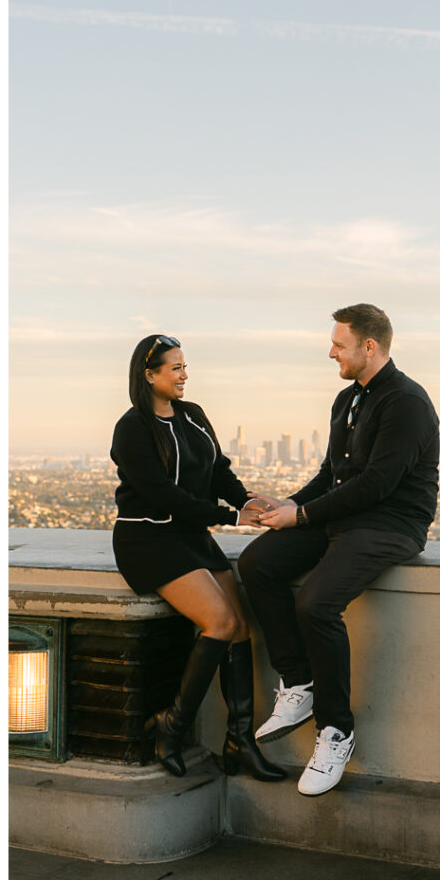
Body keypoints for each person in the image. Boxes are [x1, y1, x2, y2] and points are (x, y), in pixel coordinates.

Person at [238, 304, 439, 796]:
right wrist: (291, 503)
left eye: (339, 344)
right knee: (257, 563)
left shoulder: (406, 402)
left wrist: (303, 517)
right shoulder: (347, 400)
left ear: (370, 347)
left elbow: (377, 484)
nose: (331, 352)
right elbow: (332, 476)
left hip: (391, 524)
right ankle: (299, 683)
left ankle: (336, 731)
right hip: (347, 518)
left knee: (316, 603)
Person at [110, 334, 285, 782]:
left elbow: (217, 471)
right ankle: (171, 724)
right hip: (150, 540)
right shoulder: (132, 428)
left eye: (186, 366)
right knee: (221, 623)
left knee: (241, 629)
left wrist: (248, 500)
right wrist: (230, 516)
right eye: (175, 368)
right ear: (149, 376)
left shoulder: (193, 416)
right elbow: (163, 495)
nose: (185, 375)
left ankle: (239, 742)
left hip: (191, 536)